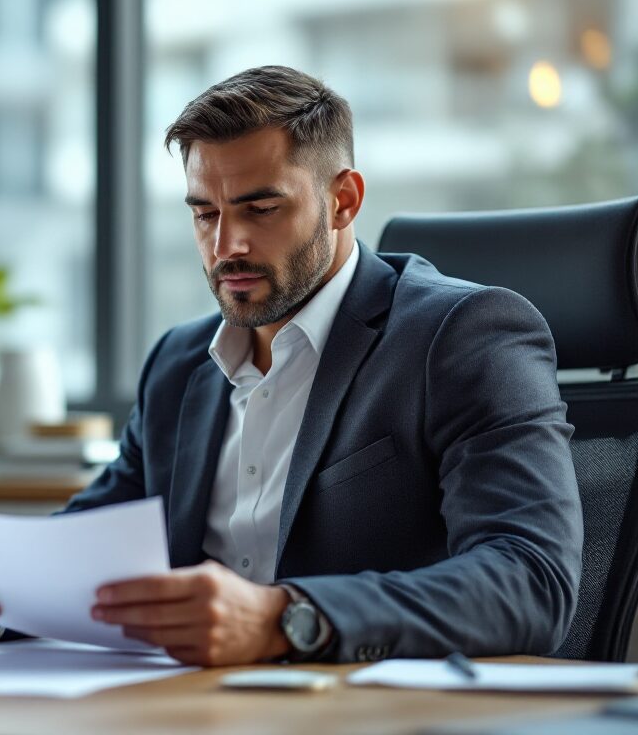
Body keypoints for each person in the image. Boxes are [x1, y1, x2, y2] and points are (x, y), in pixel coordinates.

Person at [65, 65, 582, 665]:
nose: (225, 246)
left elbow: (531, 581)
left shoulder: (463, 337)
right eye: (205, 213)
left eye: (259, 209)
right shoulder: (177, 365)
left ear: (343, 201)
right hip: (191, 707)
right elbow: (87, 545)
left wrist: (286, 619)